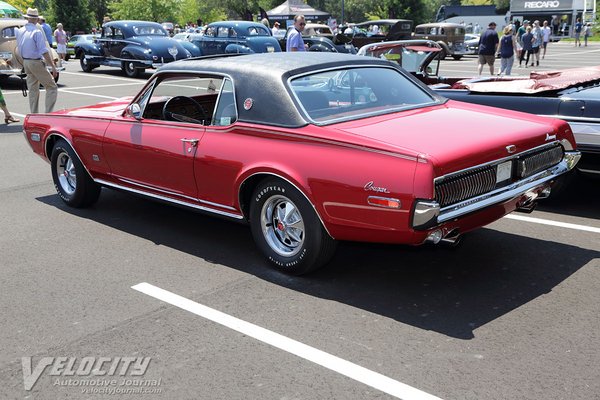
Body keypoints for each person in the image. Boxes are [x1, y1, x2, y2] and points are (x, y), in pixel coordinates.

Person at [16, 8, 58, 114]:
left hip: (26, 61)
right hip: (35, 61)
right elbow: (43, 51)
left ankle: (34, 114)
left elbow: (18, 48)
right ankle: (48, 113)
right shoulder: (37, 32)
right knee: (52, 87)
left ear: (27, 18)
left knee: (33, 90)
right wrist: (53, 66)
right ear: (36, 19)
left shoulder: (20, 31)